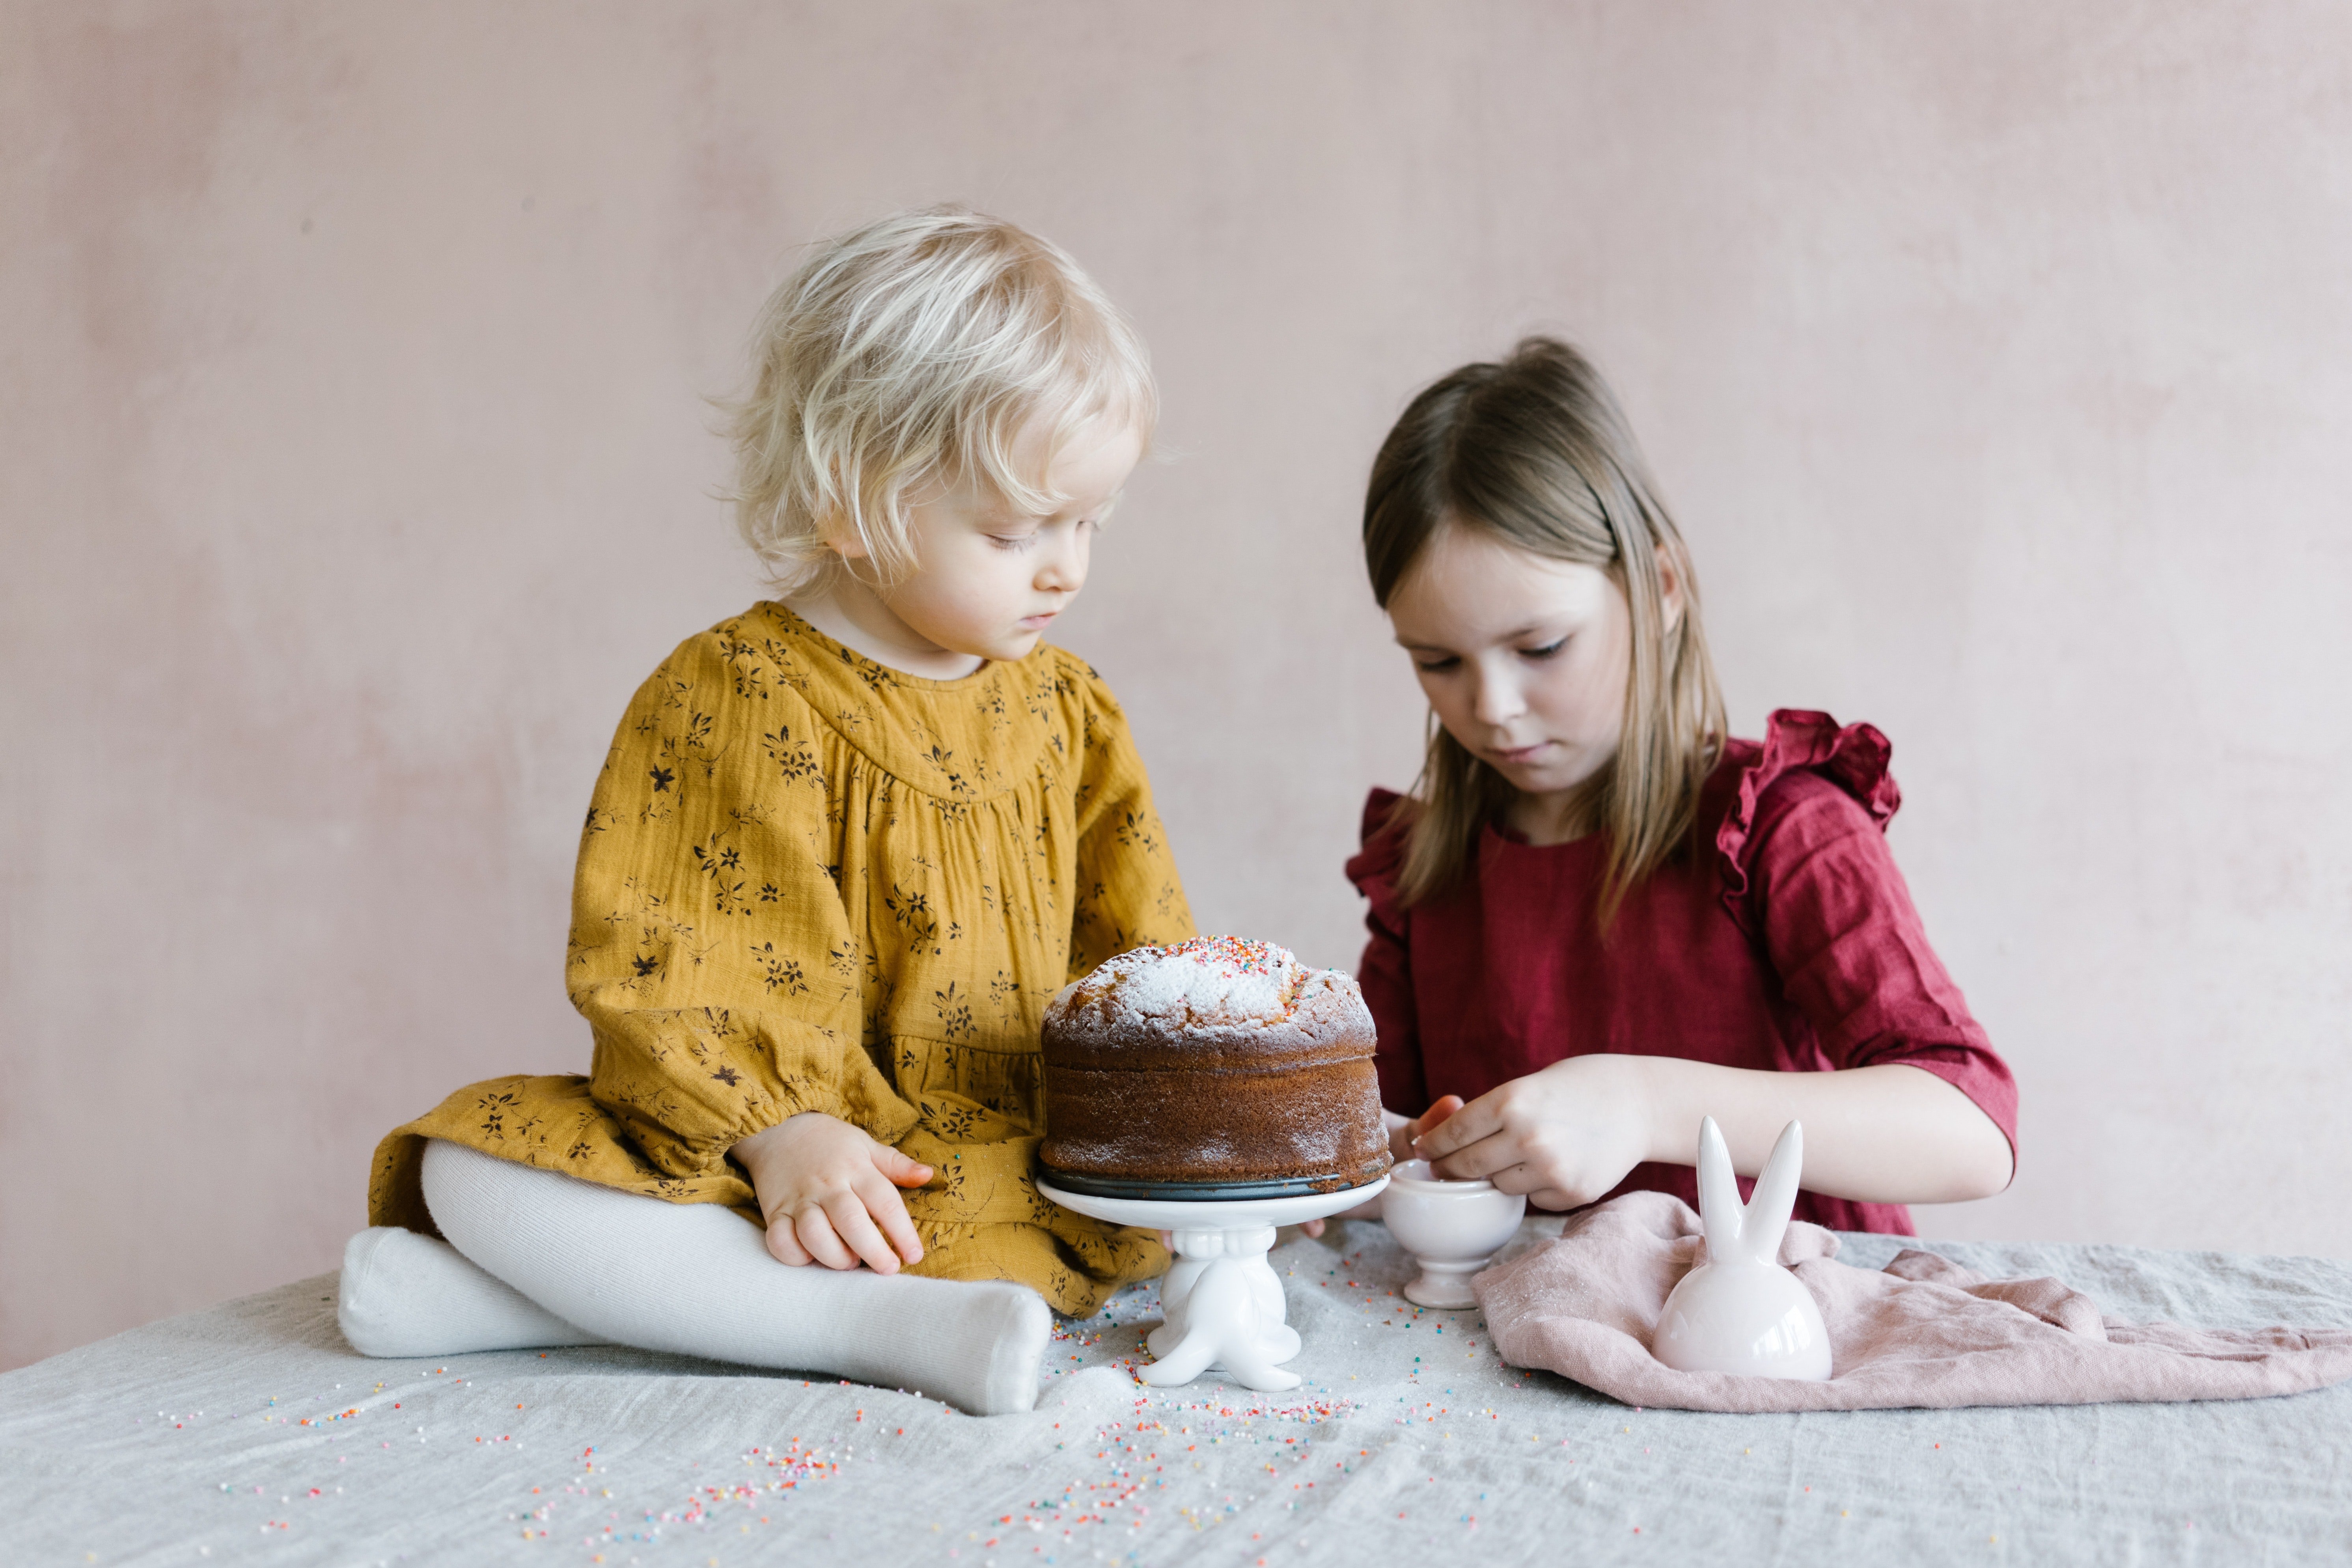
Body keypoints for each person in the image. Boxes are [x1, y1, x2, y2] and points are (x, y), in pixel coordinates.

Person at [336, 207, 1193, 1414]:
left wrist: (1181, 1113)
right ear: (851, 499)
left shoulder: (1067, 709)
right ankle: (842, 1320)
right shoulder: (736, 695)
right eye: (1013, 531)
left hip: (970, 1169)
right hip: (755, 1159)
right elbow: (679, 951)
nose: (1066, 568)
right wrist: (780, 1131)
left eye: (1088, 523)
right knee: (469, 1164)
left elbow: (1132, 947)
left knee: (1042, 1233)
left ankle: (559, 1308)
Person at [1345, 337, 2016, 1234]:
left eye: (1540, 647)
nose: (1493, 709)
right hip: (1534, 1355)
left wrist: (1644, 1105)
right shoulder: (1424, 870)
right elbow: (1376, 1139)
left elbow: (1971, 1128)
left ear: (1659, 587)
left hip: (1799, 1340)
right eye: (1438, 662)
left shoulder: (1782, 827)